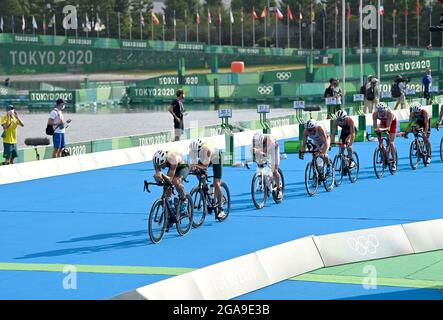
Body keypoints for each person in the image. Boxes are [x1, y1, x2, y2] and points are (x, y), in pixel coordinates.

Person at [189, 138, 226, 220]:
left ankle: (221, 209)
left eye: (196, 152)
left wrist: (194, 166)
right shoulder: (192, 151)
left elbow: (205, 166)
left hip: (216, 158)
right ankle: (207, 190)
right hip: (205, 159)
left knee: (216, 183)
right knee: (198, 172)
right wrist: (192, 168)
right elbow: (194, 164)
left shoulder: (207, 150)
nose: (195, 154)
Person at [152, 149, 190, 228]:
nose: (161, 167)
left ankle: (184, 202)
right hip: (172, 168)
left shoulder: (172, 158)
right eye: (160, 166)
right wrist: (158, 178)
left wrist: (162, 175)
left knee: (176, 182)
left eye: (162, 165)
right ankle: (170, 214)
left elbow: (170, 178)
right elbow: (158, 174)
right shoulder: (156, 162)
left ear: (165, 160)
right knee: (167, 187)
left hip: (183, 167)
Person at [251, 132, 283, 199]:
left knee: (274, 171)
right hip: (263, 150)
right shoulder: (255, 140)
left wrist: (258, 152)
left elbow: (265, 153)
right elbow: (254, 152)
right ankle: (264, 182)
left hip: (274, 149)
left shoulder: (270, 140)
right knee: (260, 164)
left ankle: (279, 189)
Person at [372, 102, 398, 170]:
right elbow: (375, 127)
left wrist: (382, 130)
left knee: (391, 142)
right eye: (379, 111)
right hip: (383, 123)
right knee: (378, 134)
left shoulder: (389, 113)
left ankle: (394, 162)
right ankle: (382, 151)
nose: (380, 113)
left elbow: (388, 128)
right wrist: (377, 130)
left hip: (392, 124)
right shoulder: (375, 114)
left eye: (382, 111)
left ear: (385, 110)